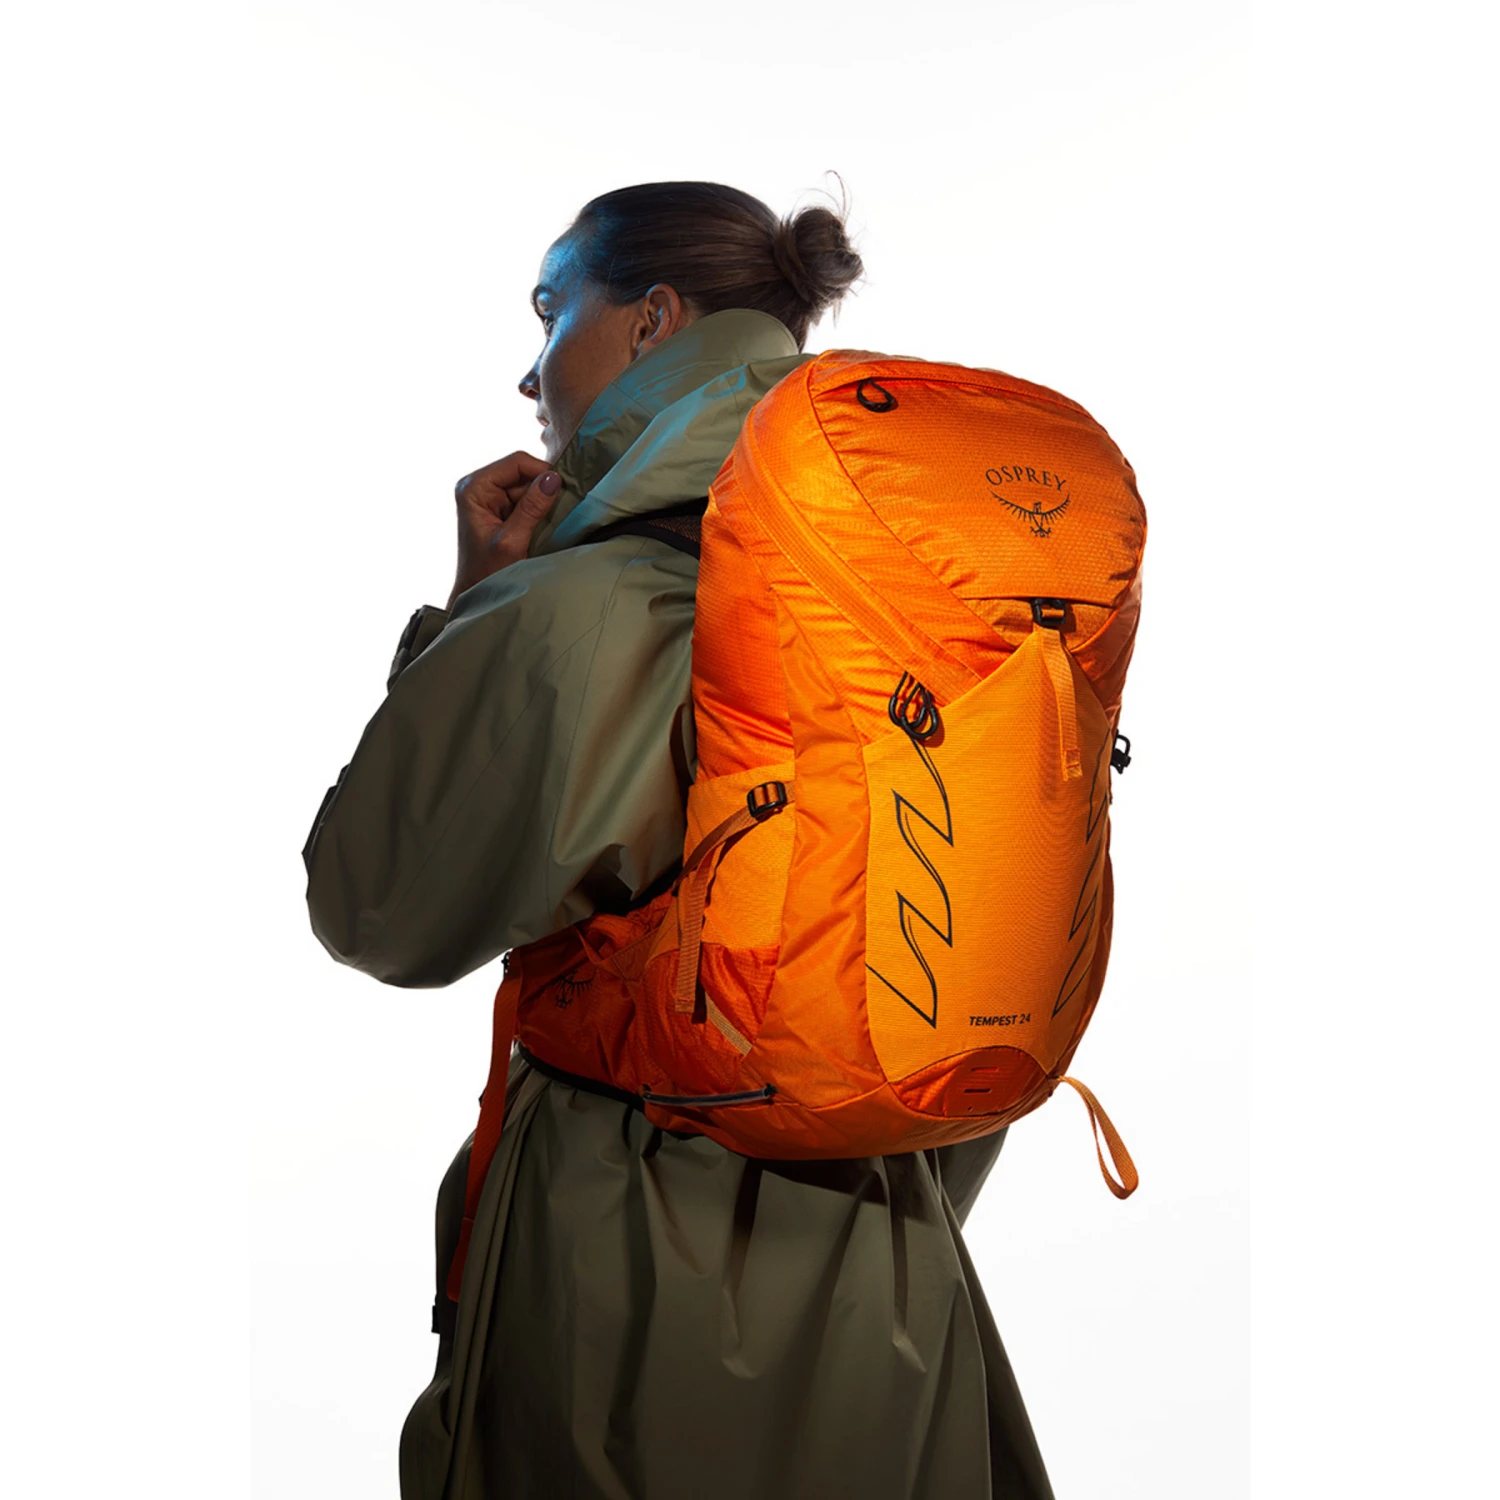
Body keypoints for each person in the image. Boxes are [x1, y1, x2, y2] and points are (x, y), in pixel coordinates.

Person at [303, 181, 1054, 1500]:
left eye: (551, 312)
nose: (530, 370)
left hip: (629, 1296)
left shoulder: (586, 611)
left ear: (652, 320)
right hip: (900, 1269)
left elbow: (380, 905)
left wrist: (470, 616)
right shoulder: (919, 596)